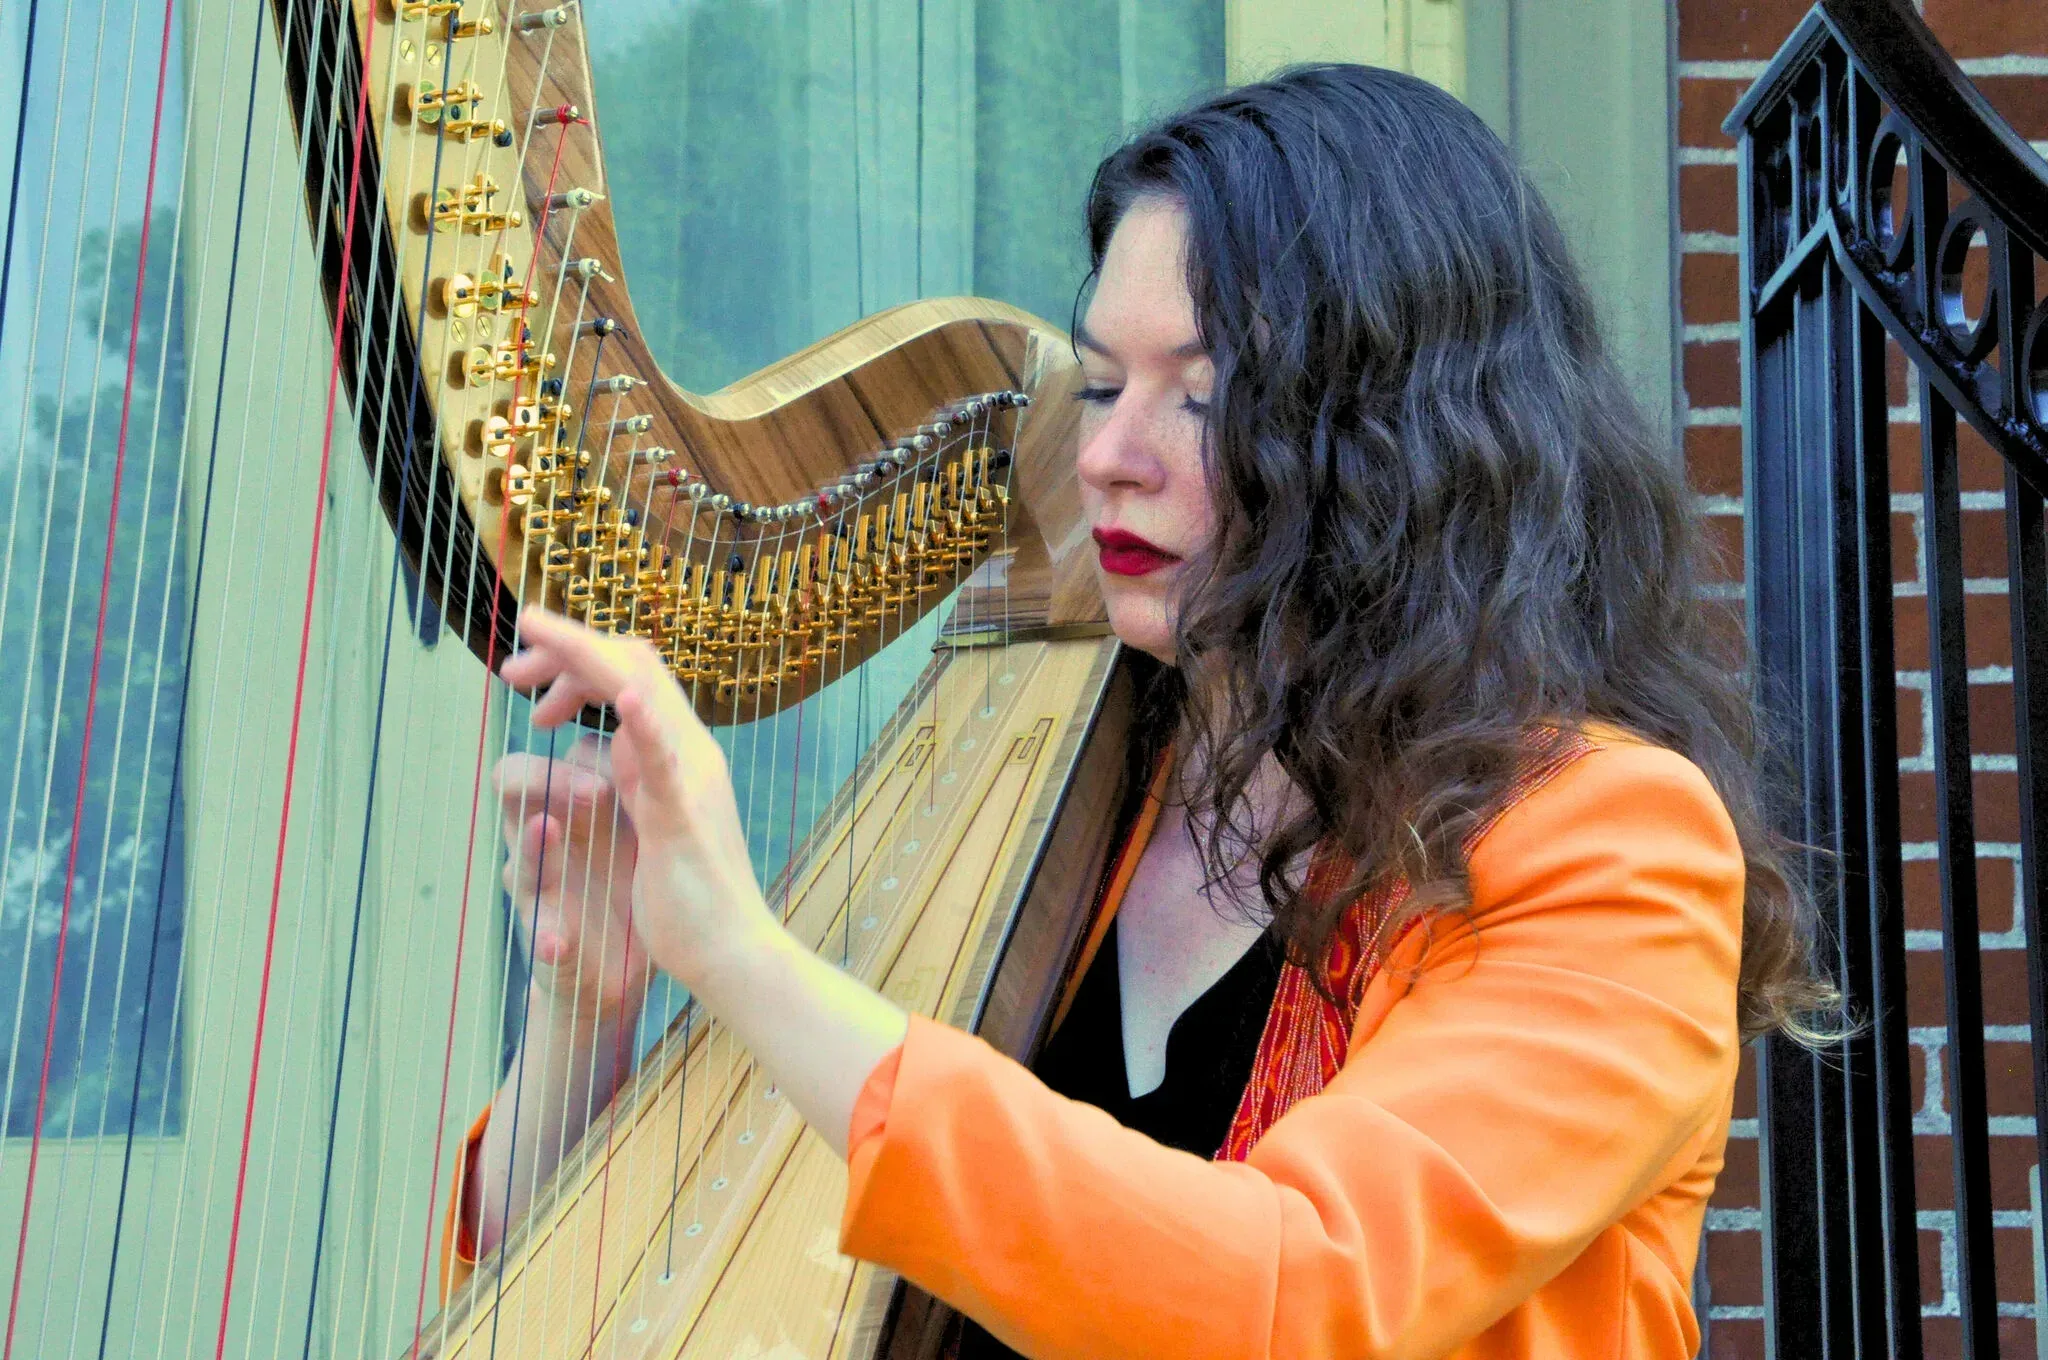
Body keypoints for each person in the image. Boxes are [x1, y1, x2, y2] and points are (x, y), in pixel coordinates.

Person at [446, 63, 1836, 1359]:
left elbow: (1295, 1291)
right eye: (1102, 384)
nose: (1105, 455)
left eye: (1206, 398)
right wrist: (594, 1001)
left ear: (1405, 445)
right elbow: (583, 1287)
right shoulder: (1084, 776)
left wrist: (744, 955)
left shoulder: (1611, 851)